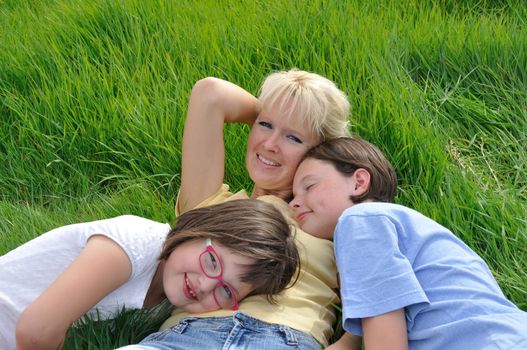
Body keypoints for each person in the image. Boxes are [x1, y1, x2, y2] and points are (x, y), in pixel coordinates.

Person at [118, 69, 351, 350]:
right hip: (186, 337)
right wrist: (280, 111)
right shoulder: (214, 206)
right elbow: (210, 94)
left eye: (294, 138)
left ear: (318, 154)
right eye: (265, 125)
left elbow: (377, 294)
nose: (270, 144)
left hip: (283, 340)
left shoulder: (329, 223)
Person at [289, 137, 527, 350]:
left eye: (309, 186)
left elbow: (386, 341)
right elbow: (350, 342)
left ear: (359, 182)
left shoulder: (360, 221)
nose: (294, 203)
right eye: (292, 197)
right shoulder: (387, 232)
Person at [0, 199, 300, 350]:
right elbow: (35, 331)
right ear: (198, 229)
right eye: (211, 262)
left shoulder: (167, 291)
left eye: (226, 292)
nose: (205, 285)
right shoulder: (135, 243)